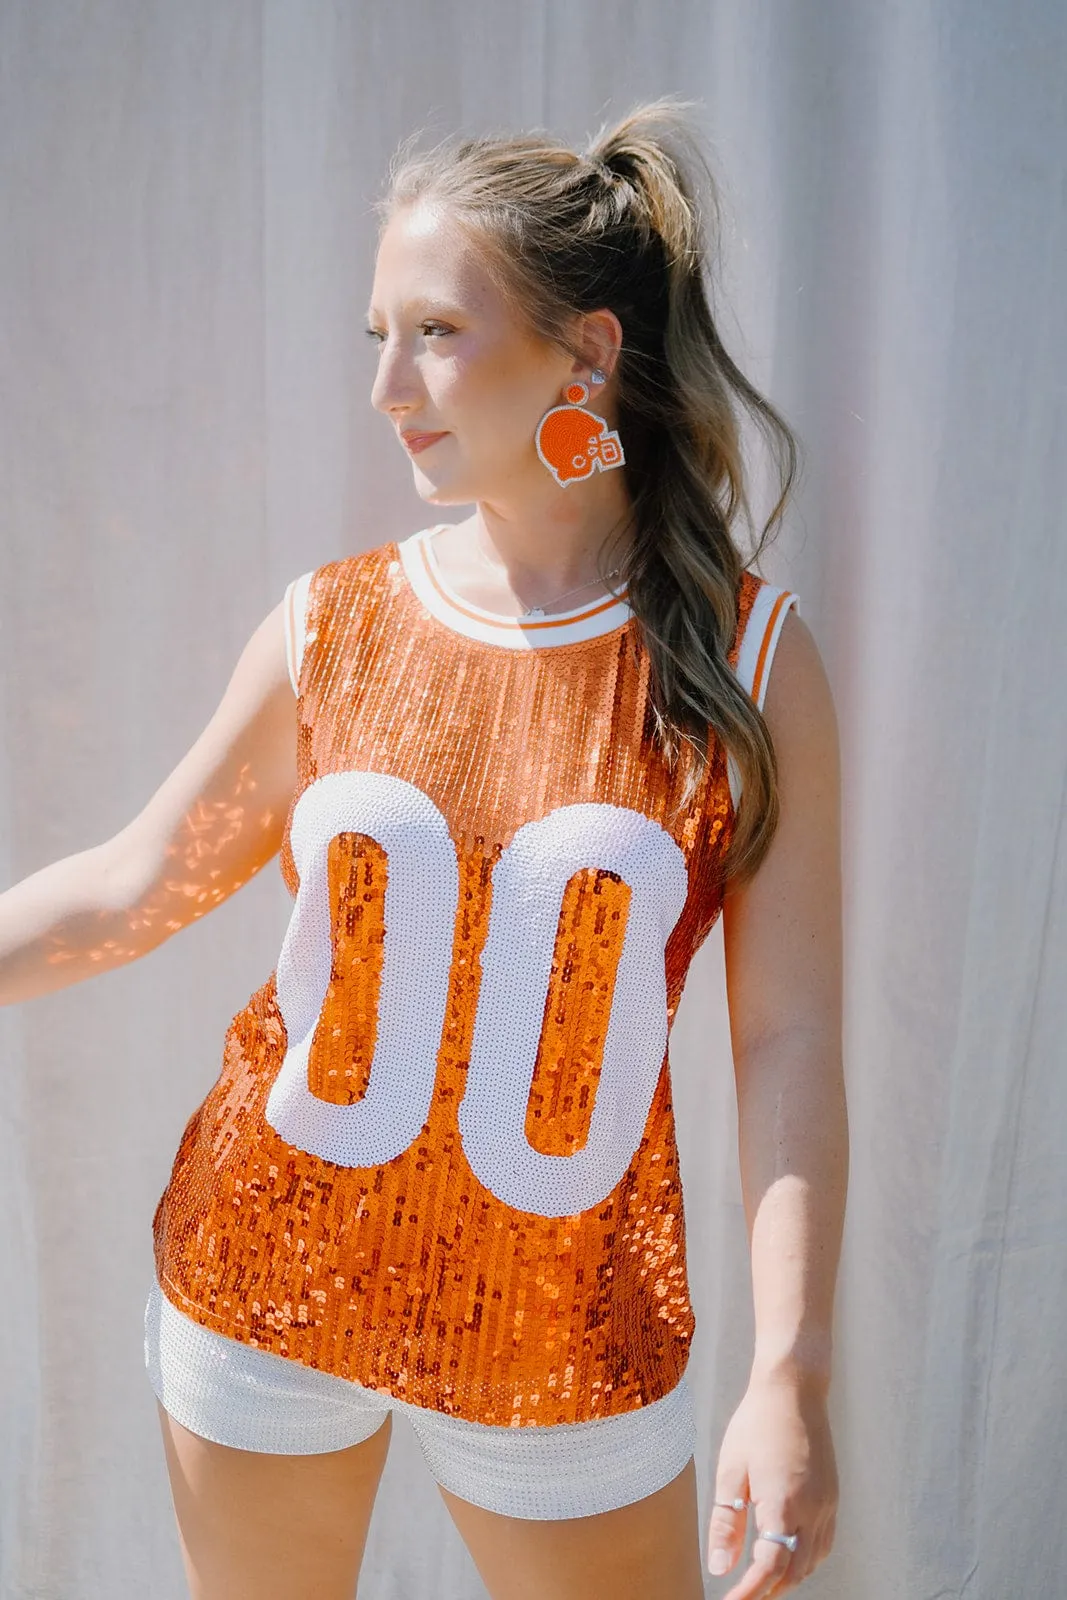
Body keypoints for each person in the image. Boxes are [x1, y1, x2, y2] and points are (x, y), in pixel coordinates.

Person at [0, 96, 847, 1600]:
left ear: (585, 355)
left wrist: (788, 1373)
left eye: (436, 334)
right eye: (374, 335)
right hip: (263, 1289)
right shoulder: (332, 623)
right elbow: (136, 889)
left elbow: (782, 1037)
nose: (388, 387)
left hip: (564, 1333)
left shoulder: (747, 664)